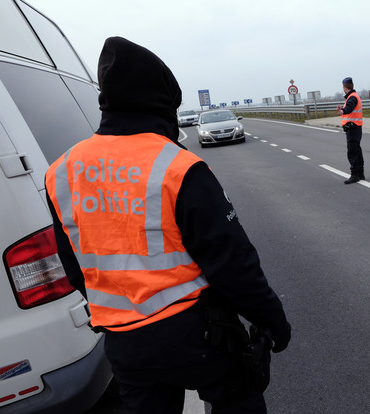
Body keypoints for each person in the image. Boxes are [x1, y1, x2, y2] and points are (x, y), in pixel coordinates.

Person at [45, 37, 291, 413]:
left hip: (124, 343)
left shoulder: (61, 173)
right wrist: (272, 320)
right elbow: (232, 263)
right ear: (161, 102)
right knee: (240, 398)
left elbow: (74, 267)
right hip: (198, 335)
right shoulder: (178, 166)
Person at [336, 77, 365, 184]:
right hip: (355, 127)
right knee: (357, 150)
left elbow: (349, 108)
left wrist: (342, 111)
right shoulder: (354, 96)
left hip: (353, 128)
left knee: (352, 151)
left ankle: (354, 175)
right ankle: (360, 173)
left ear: (344, 87)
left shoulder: (352, 97)